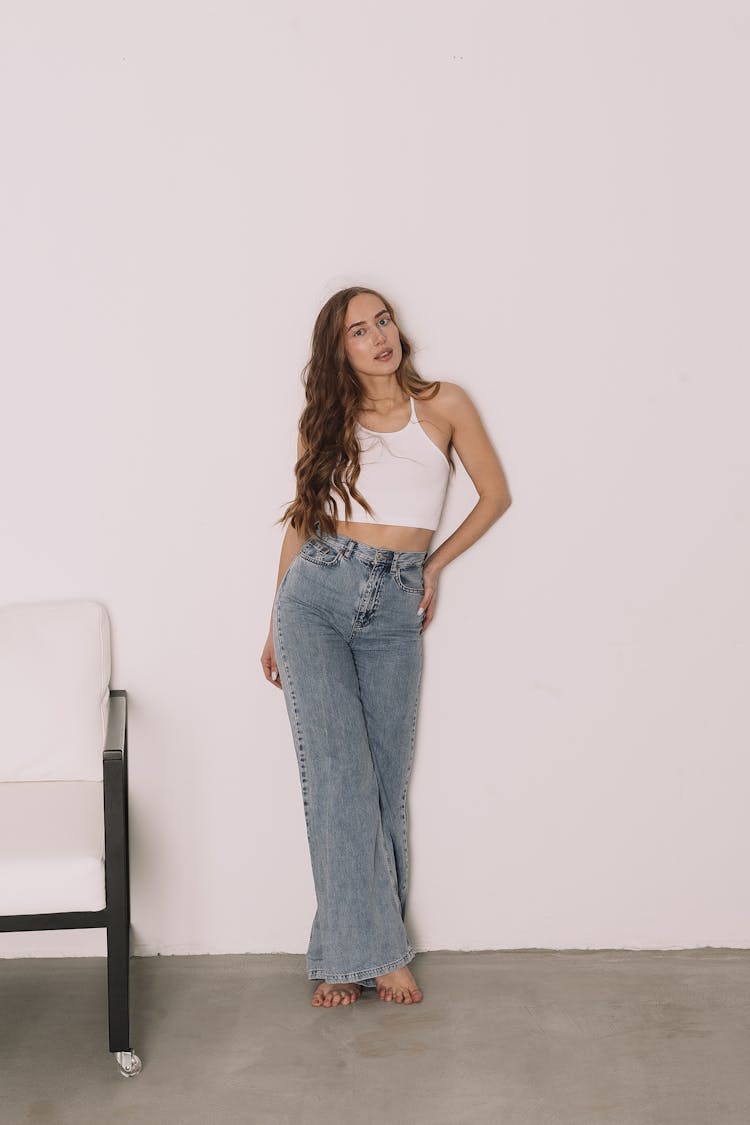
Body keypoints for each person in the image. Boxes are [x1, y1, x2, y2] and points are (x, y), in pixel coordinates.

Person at [260, 286, 512, 1008]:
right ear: (338, 351)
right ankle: (369, 954)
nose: (378, 337)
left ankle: (348, 947)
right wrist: (271, 618)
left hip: (397, 599)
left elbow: (494, 495)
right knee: (336, 772)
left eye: (383, 321)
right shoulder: (327, 419)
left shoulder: (445, 404)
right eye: (358, 331)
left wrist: (432, 565)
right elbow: (303, 521)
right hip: (315, 596)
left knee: (382, 783)